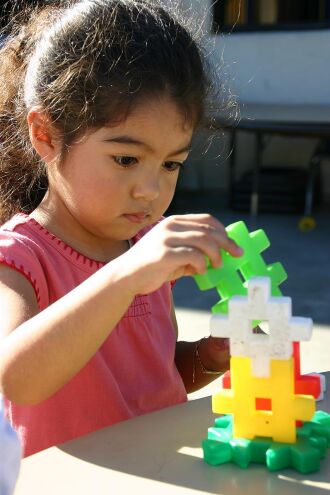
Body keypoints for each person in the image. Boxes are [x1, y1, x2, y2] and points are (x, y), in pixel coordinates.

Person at [0, 0, 243, 458]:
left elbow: (156, 376)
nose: (151, 190)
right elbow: (16, 379)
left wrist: (208, 358)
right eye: (126, 159)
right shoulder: (19, 257)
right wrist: (126, 275)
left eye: (172, 163)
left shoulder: (144, 250)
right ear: (46, 136)